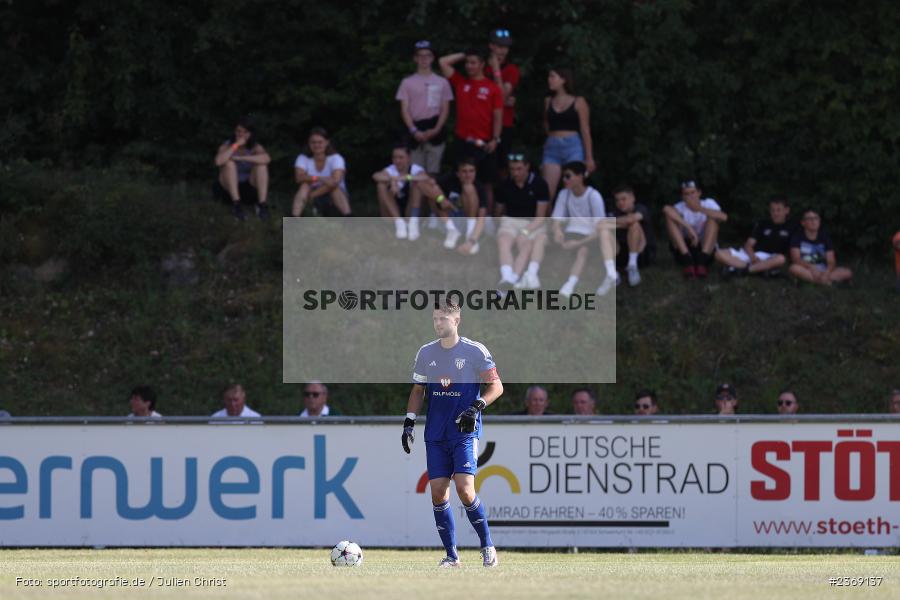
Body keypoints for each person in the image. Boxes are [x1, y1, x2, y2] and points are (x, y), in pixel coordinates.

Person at [402, 300, 503, 568]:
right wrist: (409, 422)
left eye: (442, 319)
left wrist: (477, 406)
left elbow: (496, 387)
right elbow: (417, 391)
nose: (437, 324)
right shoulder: (425, 353)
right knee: (437, 492)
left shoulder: (474, 351)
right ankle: (452, 556)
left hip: (463, 432)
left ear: (456, 321)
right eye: (435, 319)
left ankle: (487, 546)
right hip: (435, 433)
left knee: (465, 490)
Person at [438, 48, 503, 211]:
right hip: (463, 141)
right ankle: (464, 217)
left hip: (485, 143)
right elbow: (442, 62)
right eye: (467, 63)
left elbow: (498, 116)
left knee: (486, 182)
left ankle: (486, 221)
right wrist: (464, 54)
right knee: (461, 180)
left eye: (473, 63)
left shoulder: (492, 88)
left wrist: (496, 138)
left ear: (482, 64)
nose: (469, 66)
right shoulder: (461, 82)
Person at [550, 161, 609, 297]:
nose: (564, 180)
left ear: (580, 176)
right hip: (571, 233)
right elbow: (556, 219)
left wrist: (578, 243)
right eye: (564, 177)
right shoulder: (564, 194)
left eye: (568, 176)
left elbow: (601, 228)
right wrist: (557, 230)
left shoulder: (593, 196)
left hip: (591, 235)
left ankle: (570, 284)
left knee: (582, 251)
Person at [396, 40, 453, 175]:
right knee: (416, 174)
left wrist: (436, 129)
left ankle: (434, 196)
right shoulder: (407, 82)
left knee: (433, 174)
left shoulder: (442, 82)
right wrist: (414, 130)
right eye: (420, 56)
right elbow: (404, 109)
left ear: (432, 58)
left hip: (435, 128)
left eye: (427, 55)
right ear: (415, 58)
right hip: (415, 129)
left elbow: (445, 108)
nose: (424, 59)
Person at [495, 152, 549, 290]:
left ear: (527, 167)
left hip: (532, 222)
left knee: (525, 245)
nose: (515, 172)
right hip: (510, 221)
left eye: (519, 169)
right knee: (503, 241)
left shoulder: (539, 184)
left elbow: (541, 216)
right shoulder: (505, 184)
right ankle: (506, 277)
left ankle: (512, 279)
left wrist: (525, 231)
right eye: (512, 169)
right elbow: (499, 211)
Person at [541, 67, 595, 203]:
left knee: (574, 187)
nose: (549, 80)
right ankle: (547, 222)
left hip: (572, 145)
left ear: (563, 79)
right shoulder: (548, 101)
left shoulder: (578, 101)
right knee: (546, 191)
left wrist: (589, 157)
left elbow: (585, 130)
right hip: (552, 145)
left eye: (553, 77)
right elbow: (546, 124)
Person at [419, 158, 488, 255]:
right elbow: (423, 184)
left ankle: (470, 233)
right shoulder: (449, 179)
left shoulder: (479, 187)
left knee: (468, 187)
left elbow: (481, 218)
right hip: (448, 219)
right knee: (434, 189)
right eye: (464, 171)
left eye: (471, 171)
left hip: (467, 221)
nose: (468, 175)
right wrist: (441, 199)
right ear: (458, 173)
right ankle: (452, 230)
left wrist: (472, 241)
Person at [663, 180, 728, 279]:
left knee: (713, 219)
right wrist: (688, 227)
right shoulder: (680, 206)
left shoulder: (708, 203)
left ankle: (702, 262)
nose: (690, 196)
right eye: (686, 194)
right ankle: (687, 260)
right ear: (683, 196)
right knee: (670, 217)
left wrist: (699, 208)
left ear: (699, 193)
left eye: (693, 192)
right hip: (685, 249)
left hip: (705, 250)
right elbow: (666, 209)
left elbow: (724, 217)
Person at [716, 196, 794, 277]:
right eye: (772, 210)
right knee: (719, 254)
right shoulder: (763, 224)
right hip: (753, 255)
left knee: (780, 259)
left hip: (771, 257)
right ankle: (756, 270)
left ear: (786, 210)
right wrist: (753, 258)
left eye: (778, 210)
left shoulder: (791, 227)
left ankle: (738, 270)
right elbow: (748, 245)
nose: (775, 213)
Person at [213, 116, 271, 220]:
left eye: (245, 132)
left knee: (261, 166)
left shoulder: (255, 147)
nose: (241, 135)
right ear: (234, 132)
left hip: (247, 188)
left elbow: (267, 158)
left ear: (250, 134)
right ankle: (236, 205)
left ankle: (262, 204)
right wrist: (236, 145)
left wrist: (241, 158)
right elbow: (218, 161)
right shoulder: (227, 145)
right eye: (238, 131)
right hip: (227, 189)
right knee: (229, 164)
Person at [372, 145, 430, 240]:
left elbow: (425, 177)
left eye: (401, 157)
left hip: (409, 209)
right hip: (392, 212)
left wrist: (407, 177)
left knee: (418, 184)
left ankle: (413, 222)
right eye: (395, 157)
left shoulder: (415, 169)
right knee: (381, 185)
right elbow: (376, 176)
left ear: (408, 158)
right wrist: (392, 180)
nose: (397, 161)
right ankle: (399, 222)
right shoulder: (391, 169)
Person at [483, 29, 520, 175]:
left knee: (503, 167)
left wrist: (496, 70)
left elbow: (502, 97)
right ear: (491, 46)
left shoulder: (511, 70)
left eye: (505, 47)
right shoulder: (480, 67)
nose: (503, 51)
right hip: (483, 124)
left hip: (504, 124)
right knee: (483, 169)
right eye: (499, 46)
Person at [292, 128, 351, 217]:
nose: (316, 145)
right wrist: (320, 178)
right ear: (309, 143)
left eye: (320, 142)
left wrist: (312, 195)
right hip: (310, 190)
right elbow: (299, 177)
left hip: (332, 193)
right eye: (313, 142)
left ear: (327, 142)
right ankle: (294, 218)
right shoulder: (303, 158)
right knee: (304, 186)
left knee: (335, 189)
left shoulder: (336, 158)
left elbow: (334, 182)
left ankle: (349, 217)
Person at [788, 209, 853, 286]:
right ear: (803, 223)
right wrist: (812, 267)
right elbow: (796, 259)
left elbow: (831, 261)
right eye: (810, 219)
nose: (813, 221)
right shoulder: (797, 237)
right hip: (806, 268)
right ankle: (829, 283)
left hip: (824, 269)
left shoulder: (825, 237)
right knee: (793, 268)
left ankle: (815, 281)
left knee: (848, 272)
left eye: (816, 218)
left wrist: (827, 273)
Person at [610, 185, 656, 287]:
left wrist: (616, 222)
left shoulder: (640, 208)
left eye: (623, 199)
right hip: (621, 254)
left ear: (633, 198)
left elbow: (632, 219)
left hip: (643, 254)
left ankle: (632, 265)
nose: (620, 203)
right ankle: (612, 271)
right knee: (606, 231)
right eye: (617, 200)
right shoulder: (615, 212)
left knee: (634, 224)